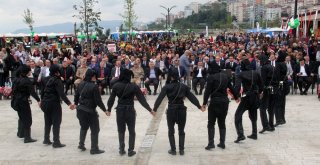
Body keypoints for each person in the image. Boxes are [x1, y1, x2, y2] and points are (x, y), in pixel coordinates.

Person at [153, 68, 202, 156]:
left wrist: (154, 109)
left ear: (170, 77)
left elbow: (159, 98)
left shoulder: (167, 87)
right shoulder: (184, 86)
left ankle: (173, 150)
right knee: (181, 130)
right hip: (182, 110)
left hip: (171, 110)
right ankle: (182, 150)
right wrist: (199, 106)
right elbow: (192, 97)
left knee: (171, 131)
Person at [107, 69, 155, 157]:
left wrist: (109, 109)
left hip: (120, 110)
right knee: (131, 131)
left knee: (121, 130)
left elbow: (111, 99)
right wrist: (150, 110)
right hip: (130, 110)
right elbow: (142, 100)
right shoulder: (134, 86)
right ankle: (130, 150)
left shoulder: (116, 86)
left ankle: (121, 149)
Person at [202, 62, 237, 150]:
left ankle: (211, 143)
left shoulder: (211, 77)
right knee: (222, 123)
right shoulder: (225, 76)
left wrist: (204, 103)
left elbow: (207, 92)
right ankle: (222, 143)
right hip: (224, 102)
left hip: (214, 102)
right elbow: (231, 88)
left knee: (211, 123)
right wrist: (236, 97)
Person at [74, 69, 109, 155]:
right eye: (95, 76)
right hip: (90, 111)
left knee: (83, 127)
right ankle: (94, 149)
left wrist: (75, 104)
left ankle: (81, 144)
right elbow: (98, 101)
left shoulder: (80, 83)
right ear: (93, 76)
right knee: (95, 129)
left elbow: (76, 95)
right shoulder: (94, 87)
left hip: (80, 110)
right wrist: (105, 110)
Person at [40, 64, 75, 148]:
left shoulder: (46, 79)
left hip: (45, 102)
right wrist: (69, 104)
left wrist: (41, 101)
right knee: (56, 122)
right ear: (57, 72)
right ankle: (56, 142)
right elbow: (61, 94)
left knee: (47, 121)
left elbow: (42, 91)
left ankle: (46, 139)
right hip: (53, 103)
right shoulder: (57, 80)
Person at [234, 57, 263, 143]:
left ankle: (240, 134)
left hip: (246, 97)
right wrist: (259, 93)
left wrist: (236, 96)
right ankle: (254, 133)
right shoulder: (256, 73)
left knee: (238, 115)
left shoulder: (240, 74)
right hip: (255, 96)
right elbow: (261, 85)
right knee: (253, 115)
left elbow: (237, 87)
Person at [11, 65, 41, 143]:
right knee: (27, 119)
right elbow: (32, 92)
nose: (30, 72)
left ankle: (20, 134)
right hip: (23, 101)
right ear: (26, 72)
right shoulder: (26, 81)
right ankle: (27, 138)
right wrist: (38, 100)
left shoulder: (15, 79)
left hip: (16, 101)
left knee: (21, 117)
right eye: (29, 71)